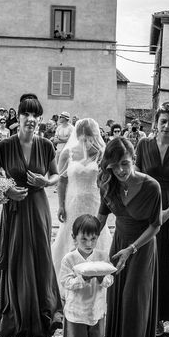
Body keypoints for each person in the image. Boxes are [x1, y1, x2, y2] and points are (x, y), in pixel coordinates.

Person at [0, 93, 63, 337]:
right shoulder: (5, 146)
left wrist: (45, 181)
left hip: (39, 208)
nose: (30, 119)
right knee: (17, 261)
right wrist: (5, 190)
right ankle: (16, 323)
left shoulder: (46, 145)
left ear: (39, 119)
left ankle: (43, 324)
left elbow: (55, 176)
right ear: (17, 117)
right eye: (26, 114)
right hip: (15, 212)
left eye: (35, 115)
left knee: (41, 260)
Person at [97, 138, 162, 337]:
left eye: (125, 163)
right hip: (119, 246)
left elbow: (156, 226)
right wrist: (83, 246)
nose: (121, 171)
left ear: (133, 159)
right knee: (116, 300)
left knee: (134, 302)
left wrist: (132, 249)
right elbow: (101, 218)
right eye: (114, 166)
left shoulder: (151, 186)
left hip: (141, 248)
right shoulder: (108, 184)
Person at [136, 102, 169, 335]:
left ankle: (166, 313)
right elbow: (135, 176)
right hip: (147, 206)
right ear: (156, 122)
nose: (167, 126)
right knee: (147, 260)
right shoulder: (143, 144)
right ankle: (148, 314)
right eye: (163, 121)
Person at [51, 118, 112, 295]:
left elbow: (108, 180)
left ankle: (97, 281)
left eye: (90, 137)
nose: (87, 141)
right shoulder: (68, 153)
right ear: (77, 136)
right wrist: (61, 205)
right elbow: (62, 181)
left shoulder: (102, 154)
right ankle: (67, 283)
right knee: (70, 238)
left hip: (94, 203)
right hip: (73, 204)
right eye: (83, 138)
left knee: (96, 237)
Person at [59, 215, 114, 337]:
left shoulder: (101, 256)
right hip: (76, 312)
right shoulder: (69, 259)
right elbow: (65, 282)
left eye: (93, 239)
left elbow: (110, 278)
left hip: (97, 310)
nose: (89, 243)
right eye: (84, 239)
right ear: (74, 238)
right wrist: (82, 279)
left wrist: (102, 278)